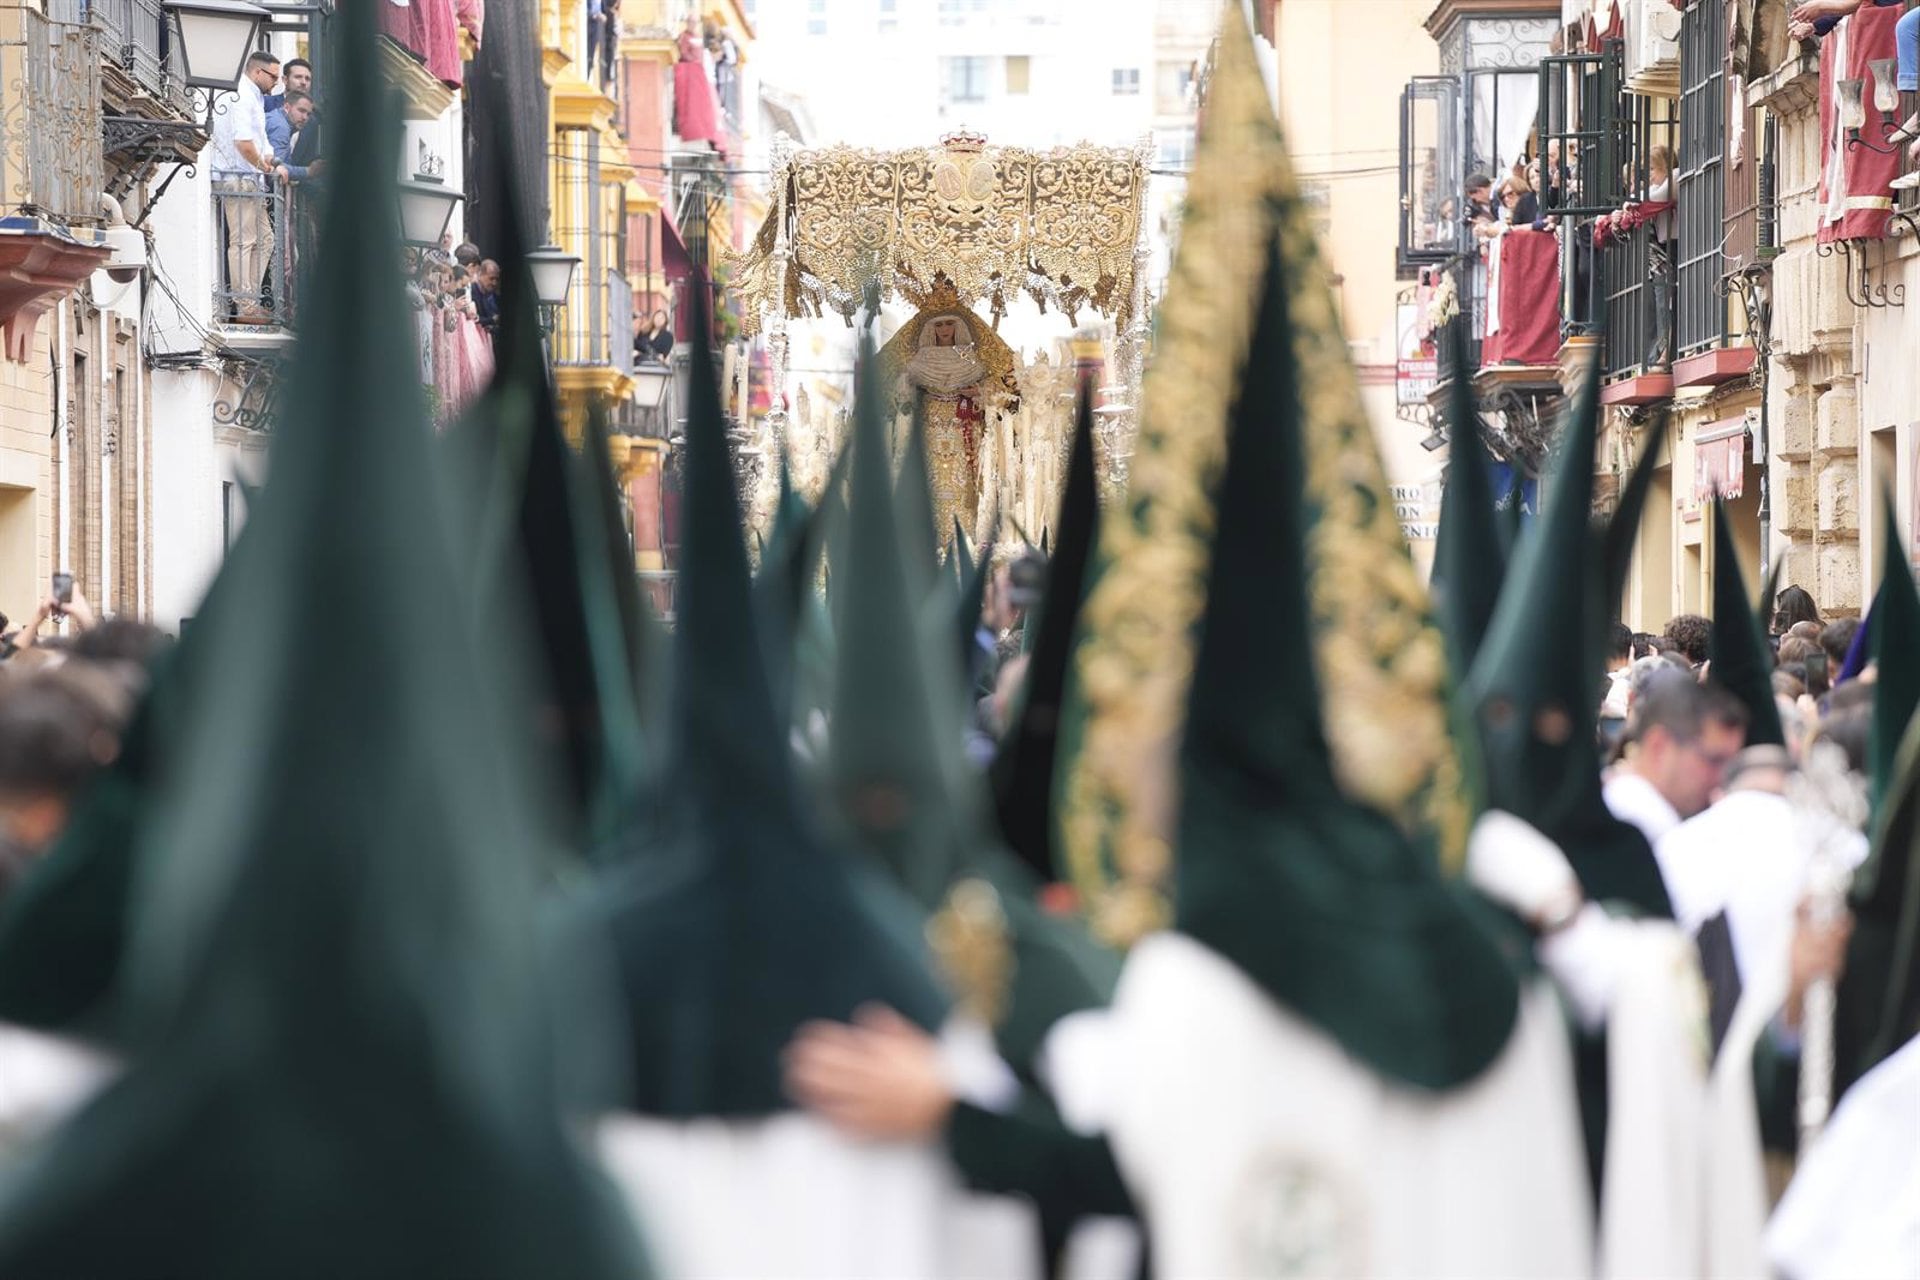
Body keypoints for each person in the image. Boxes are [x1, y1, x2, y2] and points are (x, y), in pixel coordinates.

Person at [1605, 671, 1749, 846]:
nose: (1720, 779)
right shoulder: (1646, 829)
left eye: (1730, 765)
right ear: (1658, 747)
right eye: (1713, 760)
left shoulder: (1613, 802)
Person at [209, 50, 283, 324]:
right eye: (274, 76)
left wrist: (264, 159)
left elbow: (256, 139)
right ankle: (244, 306)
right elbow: (243, 142)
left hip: (248, 177)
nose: (276, 82)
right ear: (257, 72)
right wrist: (261, 164)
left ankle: (250, 301)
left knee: (265, 239)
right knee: (243, 240)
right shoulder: (242, 95)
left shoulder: (254, 96)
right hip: (238, 176)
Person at [266, 91, 317, 187]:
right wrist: (309, 171)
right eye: (301, 111)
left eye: (308, 114)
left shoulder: (279, 120)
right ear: (287, 107)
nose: (305, 117)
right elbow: (276, 168)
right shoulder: (281, 127)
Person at [469, 258, 501, 336]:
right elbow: (473, 319)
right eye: (491, 278)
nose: (494, 283)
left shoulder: (490, 294)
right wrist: (492, 319)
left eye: (496, 279)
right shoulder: (471, 291)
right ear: (480, 275)